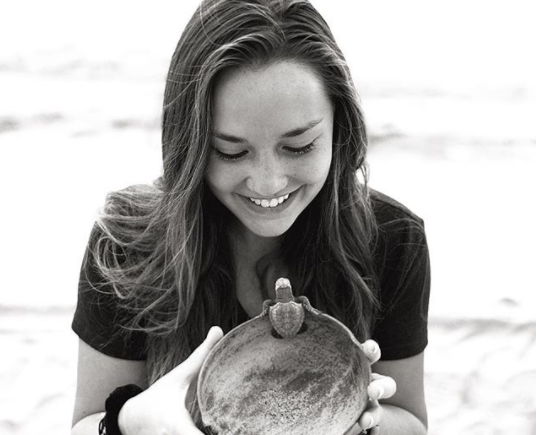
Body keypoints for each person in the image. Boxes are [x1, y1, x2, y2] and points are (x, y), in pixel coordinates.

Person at [71, 0, 430, 434]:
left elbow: (411, 421)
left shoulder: (392, 238)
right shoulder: (126, 242)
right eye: (231, 151)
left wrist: (367, 421)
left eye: (298, 146)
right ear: (189, 144)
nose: (266, 183)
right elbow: (86, 424)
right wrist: (134, 421)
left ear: (341, 126)